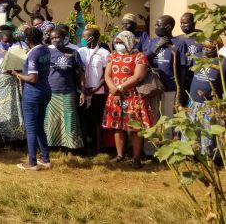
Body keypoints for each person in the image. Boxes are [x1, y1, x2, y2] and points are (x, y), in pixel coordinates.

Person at [103, 31, 152, 169]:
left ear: (129, 41)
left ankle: (136, 158)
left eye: (121, 42)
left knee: (135, 128)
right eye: (116, 42)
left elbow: (137, 77)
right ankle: (120, 155)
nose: (118, 45)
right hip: (116, 96)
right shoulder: (112, 55)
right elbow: (107, 75)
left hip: (133, 96)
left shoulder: (139, 56)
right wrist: (113, 90)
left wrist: (119, 88)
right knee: (117, 127)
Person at [12, 27, 52, 171]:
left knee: (31, 128)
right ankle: (45, 159)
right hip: (46, 90)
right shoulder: (46, 49)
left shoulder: (34, 53)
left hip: (33, 93)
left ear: (28, 40)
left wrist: (16, 74)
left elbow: (32, 78)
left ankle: (32, 162)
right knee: (39, 126)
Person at [143, 15, 187, 126]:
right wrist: (157, 46)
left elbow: (182, 69)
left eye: (158, 25)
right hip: (152, 87)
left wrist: (180, 90)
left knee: (168, 120)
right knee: (153, 120)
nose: (155, 27)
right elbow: (143, 61)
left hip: (170, 87)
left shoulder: (179, 44)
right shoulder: (151, 42)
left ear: (168, 27)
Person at [45, 29, 84, 150]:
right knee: (52, 121)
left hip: (69, 91)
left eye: (58, 37)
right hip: (51, 92)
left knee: (70, 120)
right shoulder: (47, 52)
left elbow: (80, 74)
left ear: (64, 38)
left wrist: (82, 91)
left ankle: (70, 148)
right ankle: (53, 147)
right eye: (52, 38)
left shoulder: (73, 52)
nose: (55, 40)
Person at [186, 39, 225, 155]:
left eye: (209, 47)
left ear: (218, 47)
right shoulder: (197, 57)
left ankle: (209, 156)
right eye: (204, 47)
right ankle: (193, 155)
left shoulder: (223, 62)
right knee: (193, 129)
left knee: (208, 132)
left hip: (211, 104)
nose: (206, 49)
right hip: (193, 102)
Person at [77, 27, 110, 154]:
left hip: (98, 92)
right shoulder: (80, 52)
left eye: (84, 37)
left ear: (92, 38)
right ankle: (84, 147)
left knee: (97, 120)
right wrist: (83, 88)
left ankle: (98, 148)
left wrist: (97, 87)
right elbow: (79, 71)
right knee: (84, 119)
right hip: (83, 92)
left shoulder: (104, 53)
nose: (82, 39)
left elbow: (106, 73)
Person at [0, 30, 24, 144]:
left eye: (9, 41)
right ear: (0, 40)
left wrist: (14, 70)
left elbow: (21, 70)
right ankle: (1, 138)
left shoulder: (17, 52)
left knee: (14, 110)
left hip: (13, 84)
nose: (7, 43)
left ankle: (15, 138)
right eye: (5, 41)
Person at [177, 12, 203, 104]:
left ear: (194, 22)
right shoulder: (178, 39)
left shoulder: (203, 38)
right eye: (181, 23)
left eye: (185, 23)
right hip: (182, 78)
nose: (182, 25)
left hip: (197, 78)